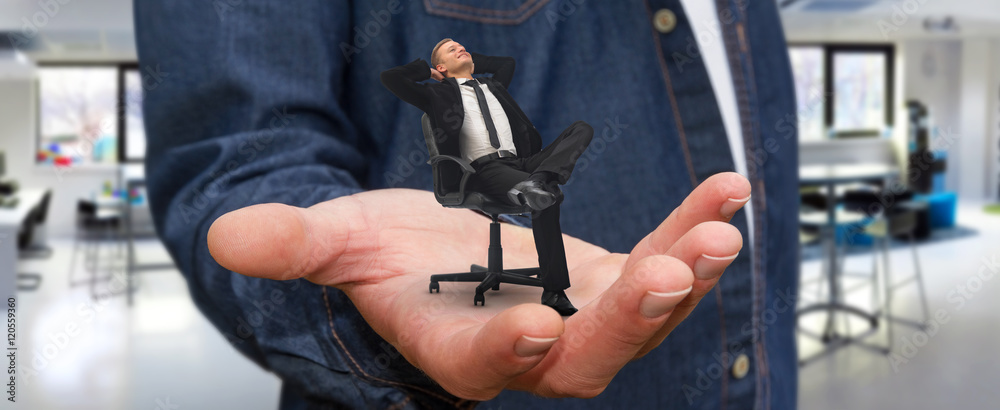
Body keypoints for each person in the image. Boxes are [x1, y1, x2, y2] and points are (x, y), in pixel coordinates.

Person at [135, 1, 799, 408]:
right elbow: (243, 152)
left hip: (754, 384)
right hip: (469, 188)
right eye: (448, 51)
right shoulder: (434, 93)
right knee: (537, 190)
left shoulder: (488, 86)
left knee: (552, 162)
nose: (457, 53)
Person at [380, 38, 596, 315]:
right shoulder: (435, 95)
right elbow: (391, 78)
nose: (460, 47)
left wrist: (467, 62)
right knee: (548, 199)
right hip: (482, 170)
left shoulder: (494, 86)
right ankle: (554, 292)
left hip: (523, 163)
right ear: (441, 66)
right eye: (451, 49)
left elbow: (506, 64)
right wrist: (428, 72)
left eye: (461, 45)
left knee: (581, 129)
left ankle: (538, 179)